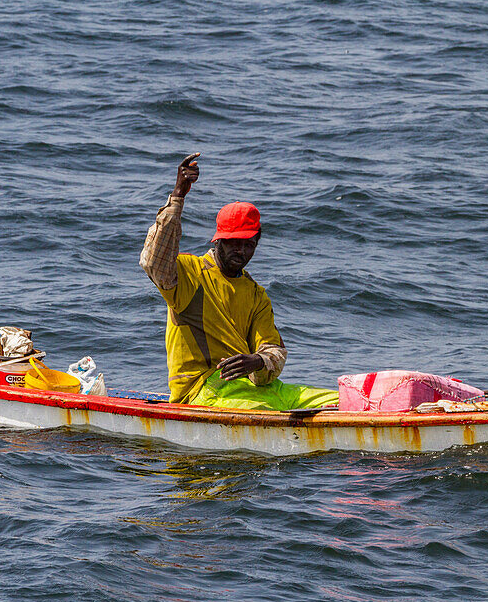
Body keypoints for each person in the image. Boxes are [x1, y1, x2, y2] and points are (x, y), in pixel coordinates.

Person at [139, 153, 339, 410]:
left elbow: (274, 351)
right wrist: (178, 196)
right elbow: (153, 261)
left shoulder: (256, 295)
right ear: (218, 240)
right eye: (234, 242)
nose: (241, 251)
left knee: (337, 400)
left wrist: (258, 361)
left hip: (256, 387)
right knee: (266, 413)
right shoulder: (189, 273)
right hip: (202, 392)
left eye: (248, 244)